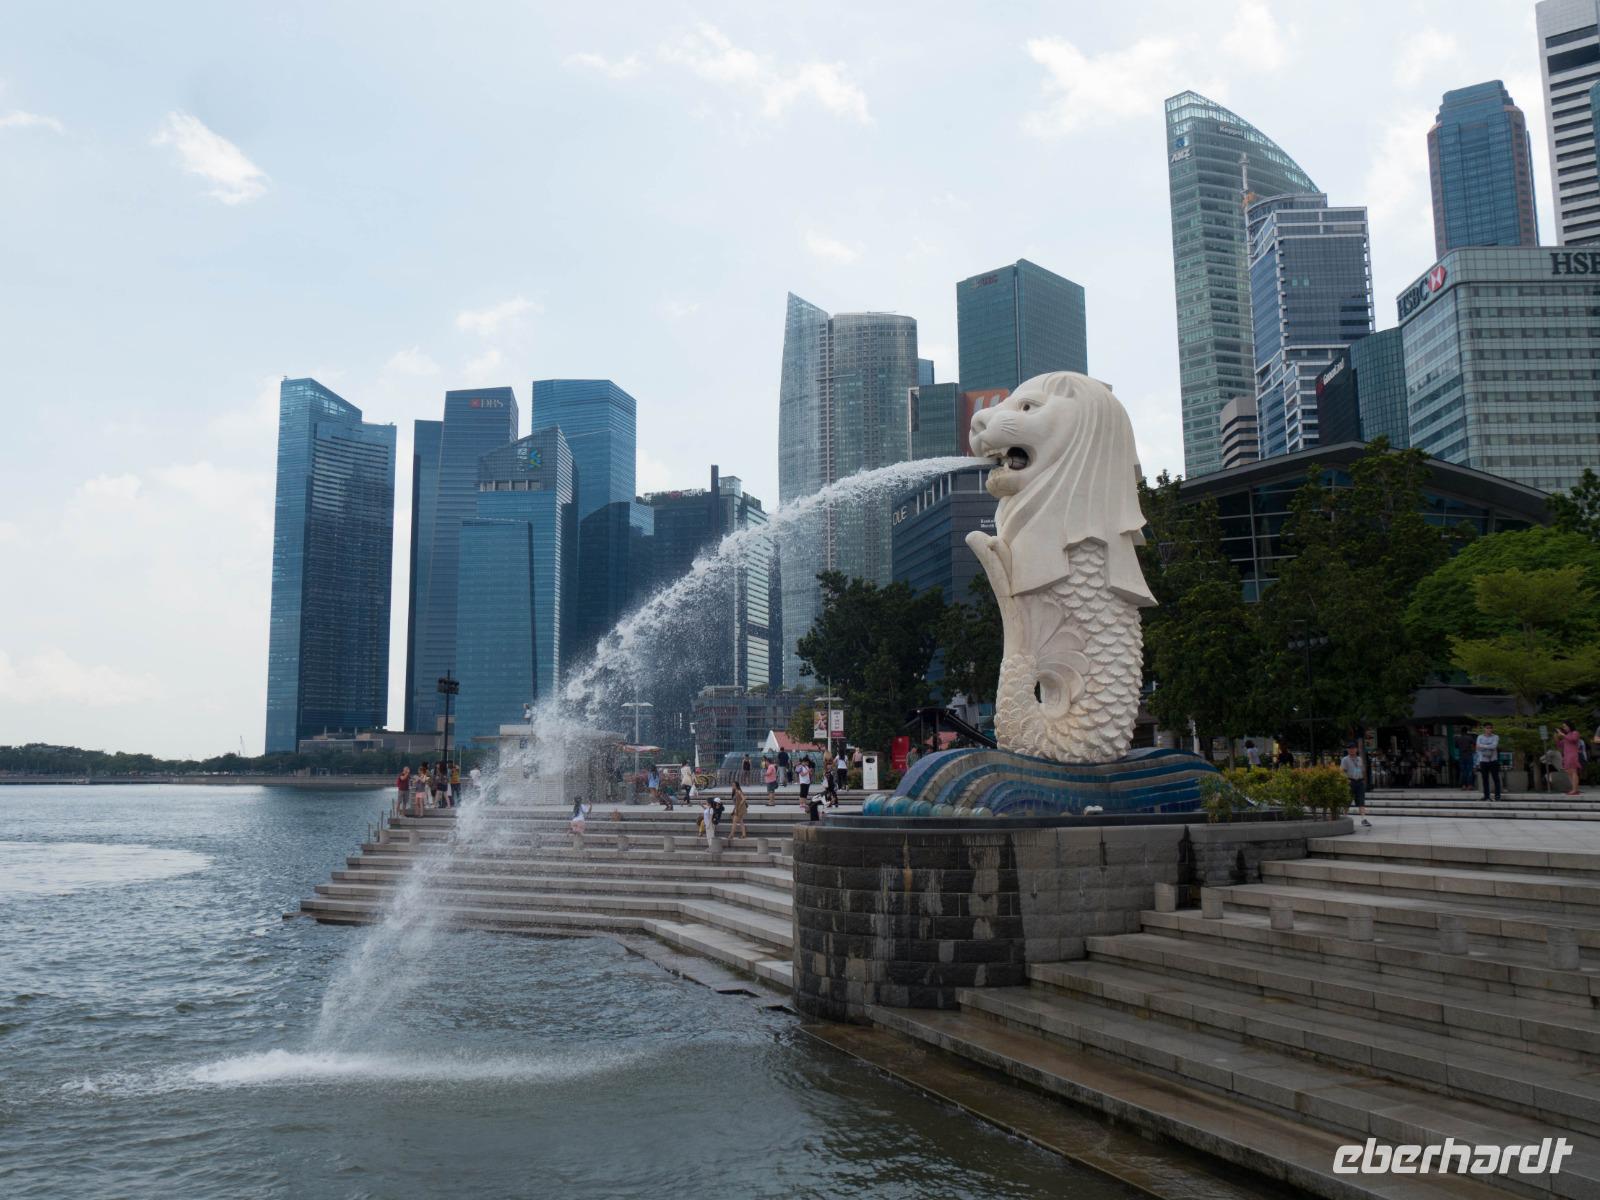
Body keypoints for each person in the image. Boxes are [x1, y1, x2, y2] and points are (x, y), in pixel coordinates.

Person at [1339, 743, 1369, 827]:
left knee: (1361, 801)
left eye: (1353, 748)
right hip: (1350, 781)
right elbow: (1342, 771)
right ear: (1348, 750)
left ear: (1356, 750)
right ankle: (1344, 817)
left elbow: (1362, 770)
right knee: (1347, 800)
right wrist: (1346, 779)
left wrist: (1364, 780)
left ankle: (1363, 819)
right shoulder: (1345, 759)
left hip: (1359, 781)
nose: (1352, 750)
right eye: (1350, 748)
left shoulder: (1359, 759)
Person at [1476, 723, 1502, 802]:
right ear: (1484, 729)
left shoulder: (1495, 737)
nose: (1488, 729)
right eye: (1487, 728)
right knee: (1485, 779)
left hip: (1493, 760)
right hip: (1483, 761)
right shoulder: (1480, 737)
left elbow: (1494, 746)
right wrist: (1488, 746)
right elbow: (1477, 748)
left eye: (1490, 728)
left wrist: (1483, 746)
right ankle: (1486, 796)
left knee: (1496, 779)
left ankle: (1497, 796)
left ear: (1492, 729)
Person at [1558, 722, 1584, 796]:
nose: (1564, 728)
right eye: (1563, 727)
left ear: (1569, 726)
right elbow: (1560, 745)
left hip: (1573, 754)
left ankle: (1575, 790)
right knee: (1568, 772)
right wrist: (1556, 738)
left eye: (1565, 726)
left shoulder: (1575, 732)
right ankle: (1574, 789)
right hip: (1566, 755)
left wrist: (1563, 735)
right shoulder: (1566, 735)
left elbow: (1573, 739)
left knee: (1573, 771)